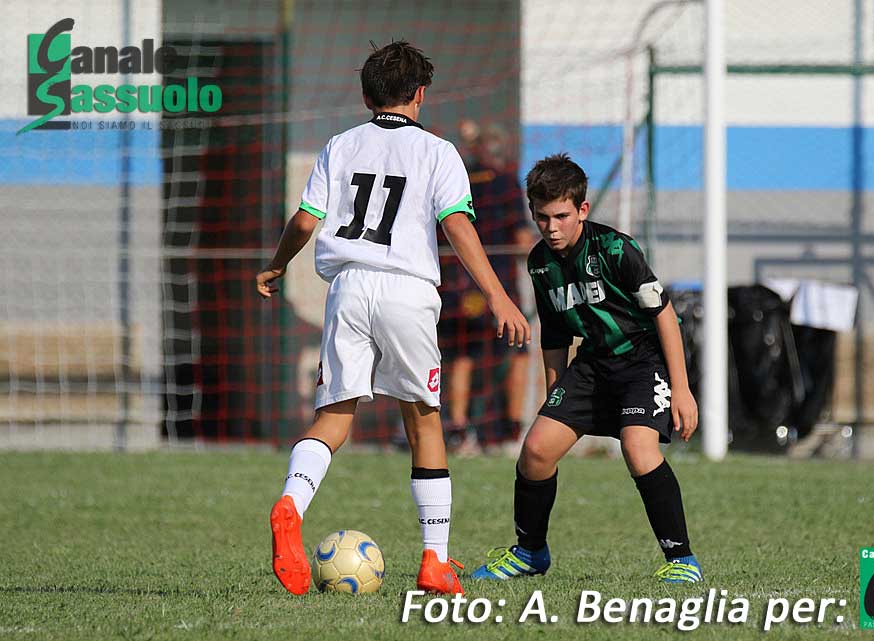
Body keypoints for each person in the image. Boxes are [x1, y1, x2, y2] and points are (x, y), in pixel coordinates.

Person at [256, 41, 530, 596]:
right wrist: (500, 297)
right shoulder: (439, 152)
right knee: (424, 420)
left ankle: (290, 503)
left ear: (365, 95)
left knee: (334, 415)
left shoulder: (339, 144)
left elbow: (306, 223)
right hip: (407, 291)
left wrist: (276, 265)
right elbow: (458, 227)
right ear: (421, 95)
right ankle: (434, 561)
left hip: (348, 288)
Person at [471, 153, 703, 583]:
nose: (551, 227)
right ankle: (530, 552)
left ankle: (681, 560)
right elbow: (556, 336)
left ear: (582, 210)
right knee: (537, 450)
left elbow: (664, 315)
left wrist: (682, 389)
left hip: (640, 362)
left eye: (561, 216)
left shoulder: (616, 249)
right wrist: (553, 401)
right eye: (541, 217)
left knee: (638, 449)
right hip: (592, 367)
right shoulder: (539, 263)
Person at [437, 122, 537, 452]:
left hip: (457, 282)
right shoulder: (507, 183)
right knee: (520, 349)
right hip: (498, 285)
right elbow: (522, 239)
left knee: (462, 352)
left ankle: (458, 427)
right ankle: (512, 427)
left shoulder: (458, 180)